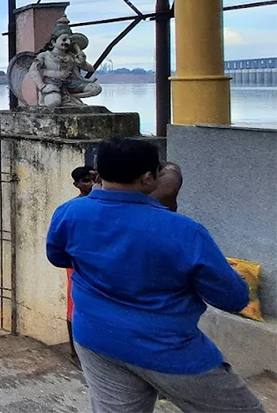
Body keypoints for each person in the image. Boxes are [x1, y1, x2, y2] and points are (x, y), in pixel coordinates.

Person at [47, 138, 261, 412]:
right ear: (148, 179)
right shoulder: (184, 231)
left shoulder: (70, 212)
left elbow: (58, 257)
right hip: (167, 350)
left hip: (96, 337)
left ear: (98, 174)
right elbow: (233, 298)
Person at [64, 165, 98, 364]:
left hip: (97, 262)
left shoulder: (101, 204)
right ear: (76, 184)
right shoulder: (72, 208)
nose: (91, 184)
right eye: (86, 180)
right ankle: (74, 354)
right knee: (73, 306)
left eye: (94, 179)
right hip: (77, 262)